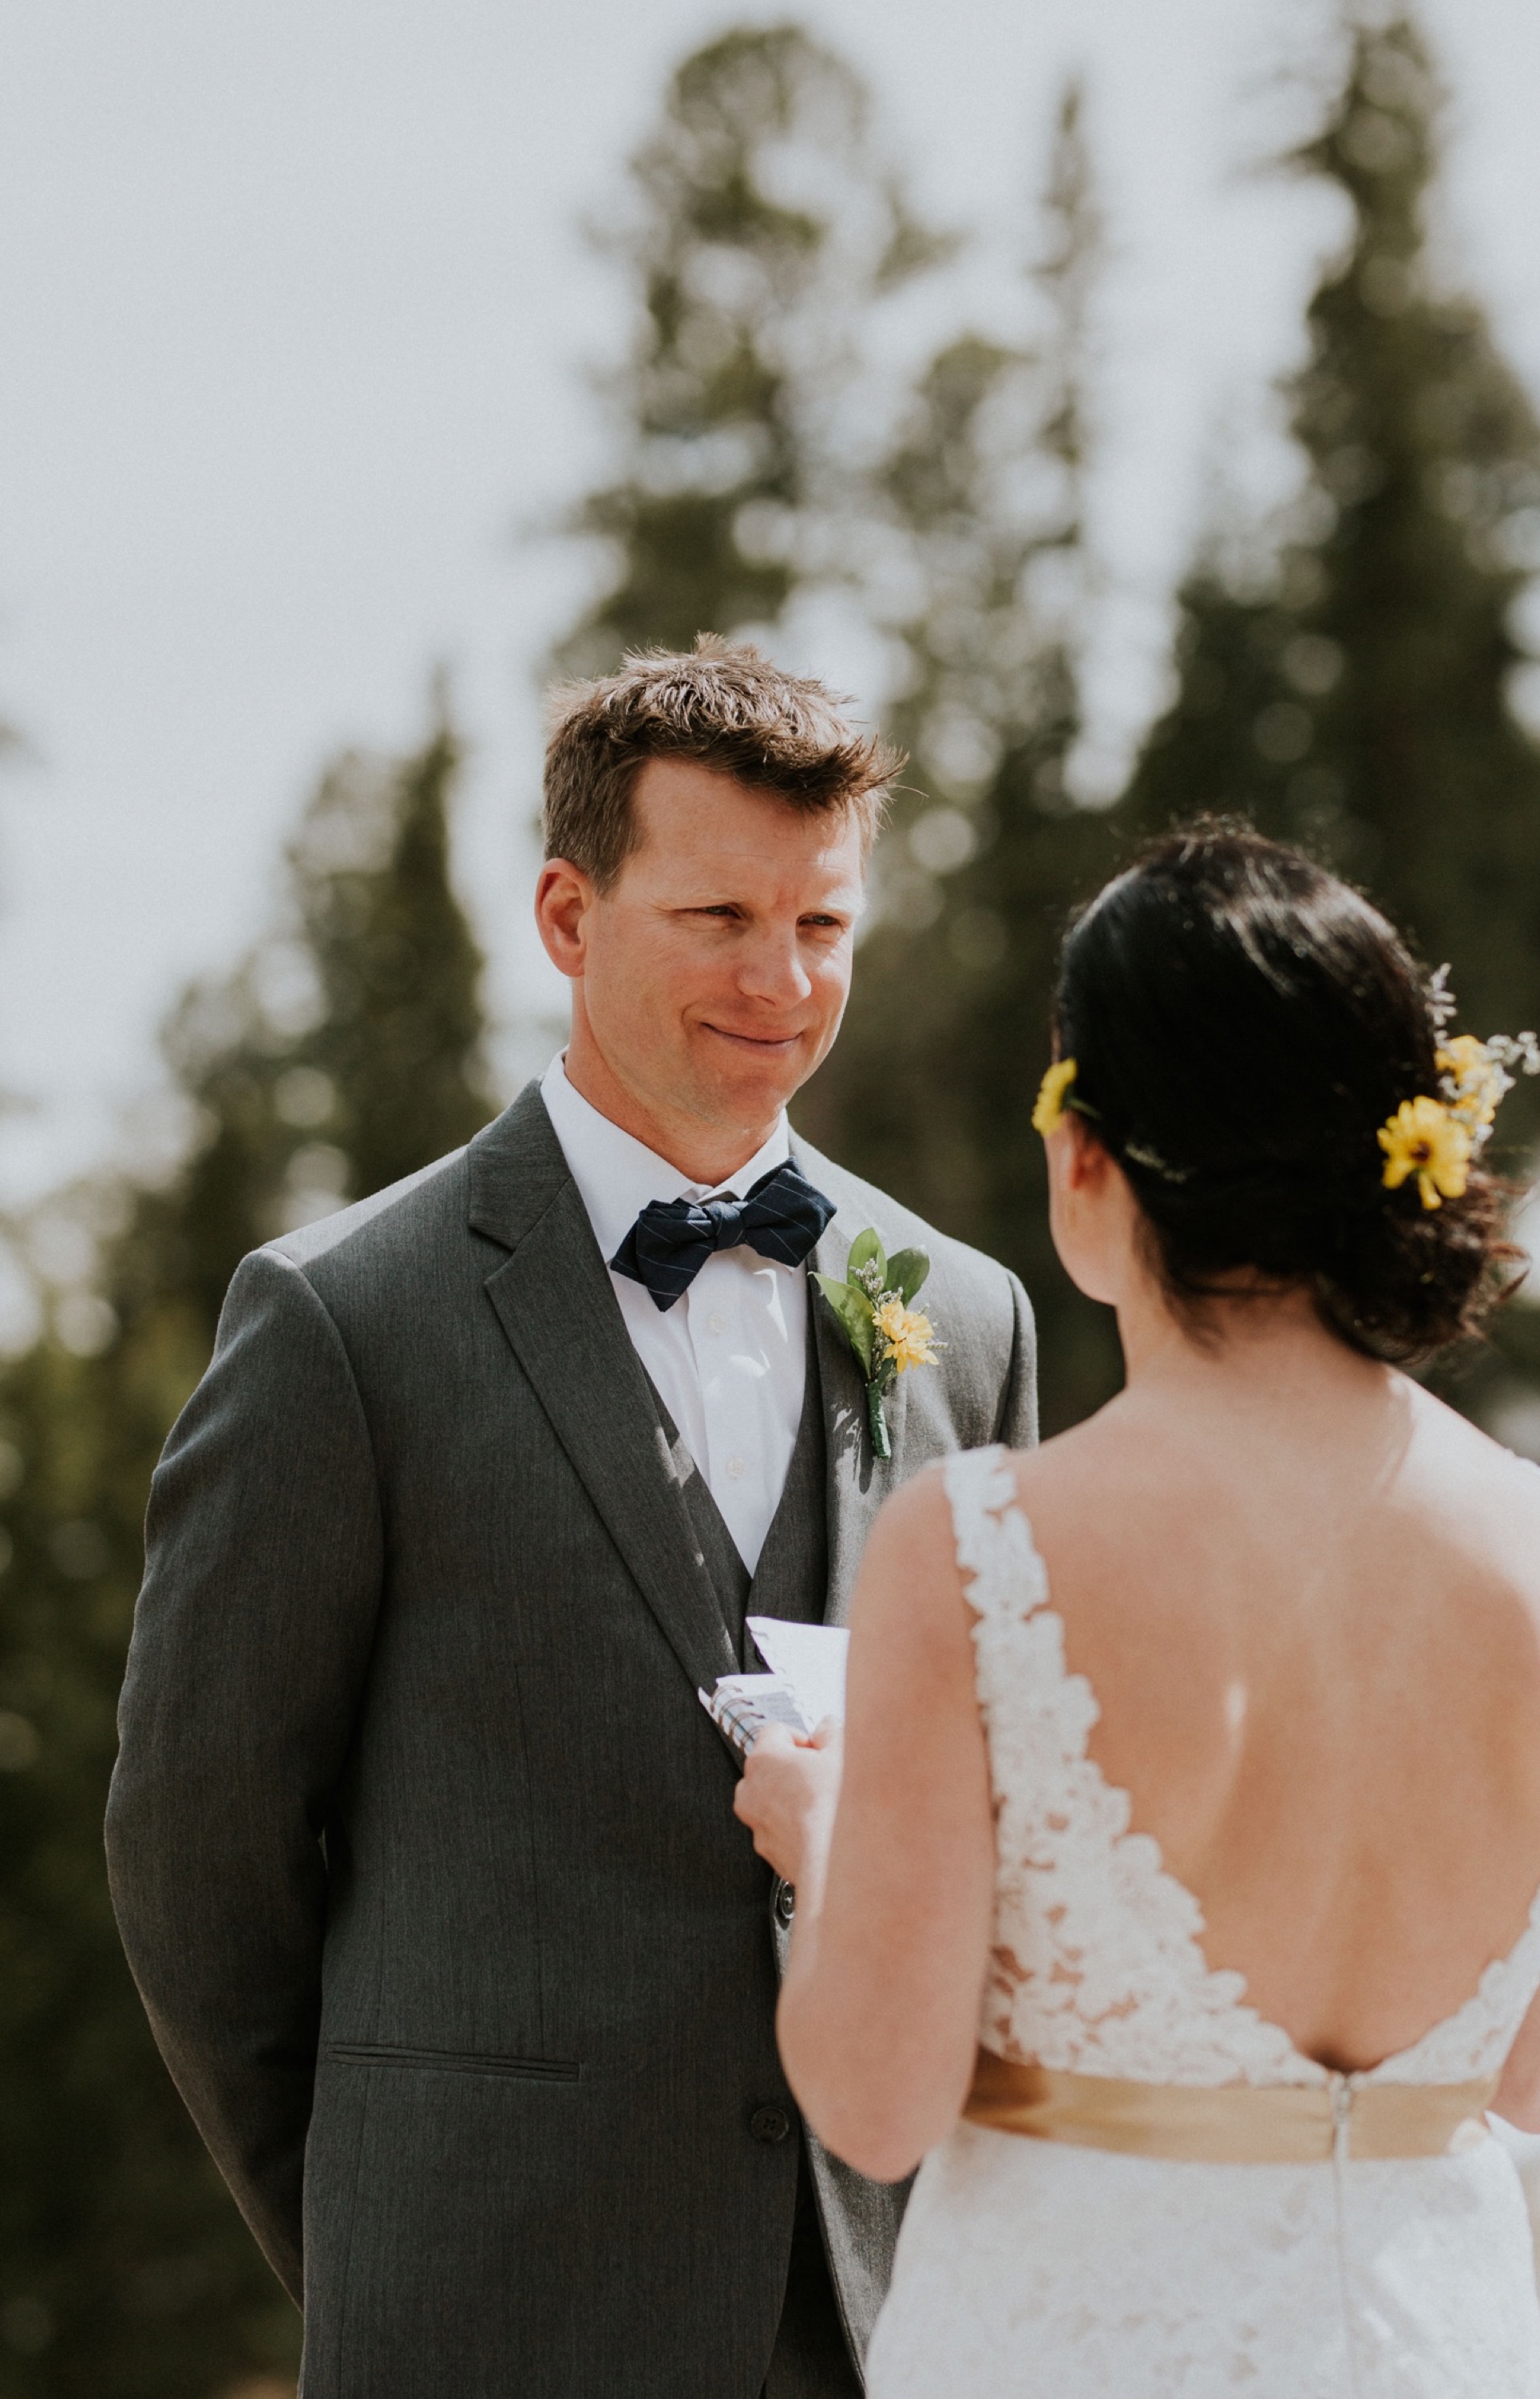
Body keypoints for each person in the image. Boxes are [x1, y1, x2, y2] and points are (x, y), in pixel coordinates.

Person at [105, 640, 1037, 2399]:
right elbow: (198, 1854)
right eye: (716, 917)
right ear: (565, 913)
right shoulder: (340, 1323)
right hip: (480, 2309)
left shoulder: (965, 1317)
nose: (782, 980)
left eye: (822, 926)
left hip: (882, 2318)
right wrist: (376, 2239)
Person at [739, 824, 1540, 2397]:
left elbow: (874, 2102)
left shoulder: (985, 1544)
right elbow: (1539, 2075)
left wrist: (836, 1829)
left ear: (1087, 1161)